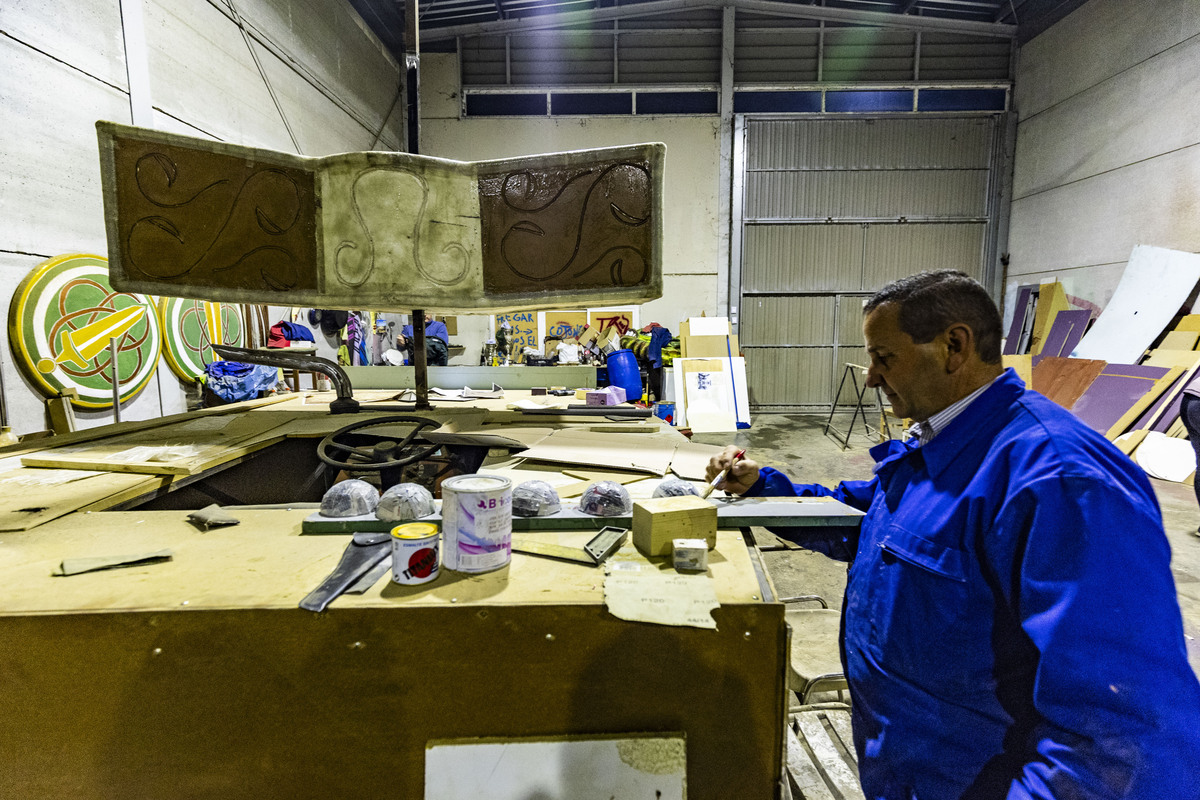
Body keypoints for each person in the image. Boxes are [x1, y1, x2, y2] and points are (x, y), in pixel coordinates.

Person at [708, 270, 1200, 799]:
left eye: (885, 358)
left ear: (954, 346)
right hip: (911, 768)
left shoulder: (1061, 482)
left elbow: (1125, 739)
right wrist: (765, 488)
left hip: (973, 778)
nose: (870, 377)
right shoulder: (943, 443)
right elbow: (870, 520)